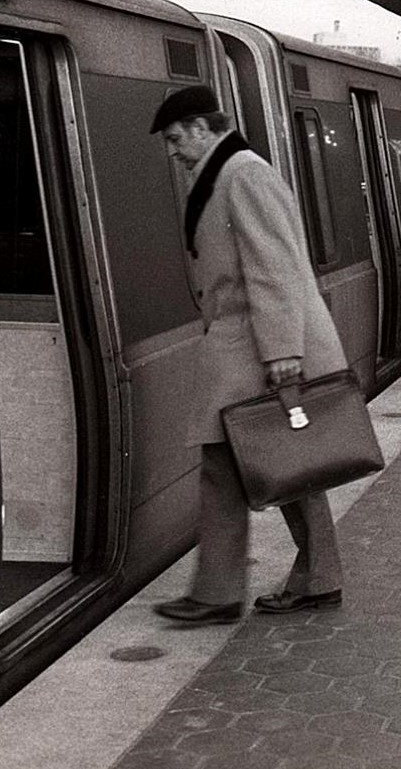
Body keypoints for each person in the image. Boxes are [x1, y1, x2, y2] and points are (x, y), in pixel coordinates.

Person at [148, 85, 346, 622]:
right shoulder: (222, 172)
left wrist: (283, 352)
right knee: (285, 466)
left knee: (246, 466)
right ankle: (308, 580)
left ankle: (219, 594)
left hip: (259, 348)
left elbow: (274, 266)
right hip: (244, 344)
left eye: (175, 139)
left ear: (200, 128)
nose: (172, 151)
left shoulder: (245, 174)